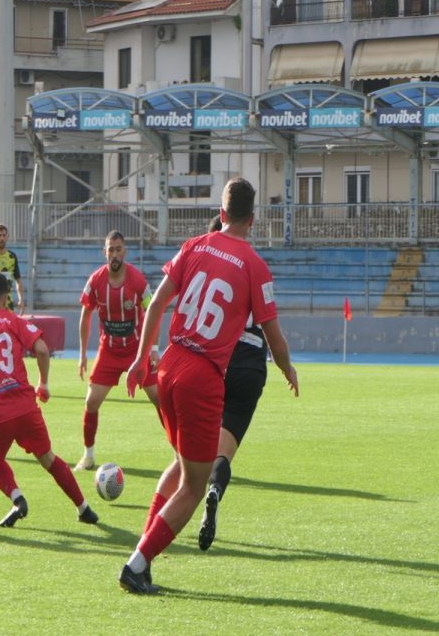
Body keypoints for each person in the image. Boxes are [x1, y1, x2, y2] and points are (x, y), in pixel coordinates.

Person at [118, 178, 299, 594]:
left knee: (183, 466)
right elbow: (272, 335)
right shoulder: (255, 265)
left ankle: (144, 554)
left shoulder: (195, 245)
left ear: (221, 213)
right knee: (195, 485)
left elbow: (158, 302)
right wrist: (288, 368)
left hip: (169, 365)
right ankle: (137, 563)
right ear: (253, 219)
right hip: (202, 375)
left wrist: (140, 357)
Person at [0, 271, 98, 528]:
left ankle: (18, 499)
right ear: (7, 296)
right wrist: (43, 383)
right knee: (48, 459)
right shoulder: (15, 321)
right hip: (23, 407)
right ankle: (84, 507)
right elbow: (42, 349)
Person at [197, 215, 270, 551]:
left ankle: (154, 535)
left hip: (217, 359)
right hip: (252, 364)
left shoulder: (207, 264)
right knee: (223, 453)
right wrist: (286, 366)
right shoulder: (253, 265)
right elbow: (270, 323)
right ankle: (215, 491)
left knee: (192, 452)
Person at [73, 230, 159, 471]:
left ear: (125, 251)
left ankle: (179, 454)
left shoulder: (138, 281)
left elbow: (153, 310)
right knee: (91, 403)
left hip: (136, 351)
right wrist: (82, 354)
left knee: (159, 399)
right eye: (110, 250)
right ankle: (88, 456)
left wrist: (153, 348)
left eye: (118, 249)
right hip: (109, 352)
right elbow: (85, 314)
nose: (114, 254)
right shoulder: (95, 280)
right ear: (105, 252)